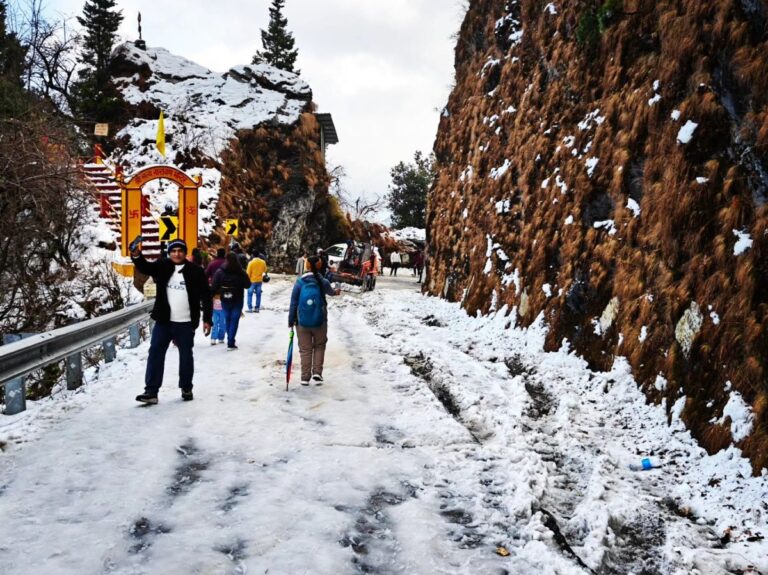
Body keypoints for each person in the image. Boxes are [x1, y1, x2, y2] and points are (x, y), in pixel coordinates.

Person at [131, 238, 212, 404]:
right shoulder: (162, 265)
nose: (177, 254)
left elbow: (206, 295)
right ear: (169, 253)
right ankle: (151, 391)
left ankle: (186, 387)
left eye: (180, 251)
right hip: (164, 321)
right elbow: (145, 267)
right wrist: (136, 254)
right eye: (173, 251)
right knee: (155, 353)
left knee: (186, 355)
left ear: (185, 253)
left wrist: (207, 319)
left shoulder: (196, 271)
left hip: (186, 322)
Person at [288, 255, 340, 386]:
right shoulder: (323, 282)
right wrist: (336, 291)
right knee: (319, 346)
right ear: (319, 266)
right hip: (320, 320)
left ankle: (305, 377)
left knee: (305, 349)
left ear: (306, 266)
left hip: (302, 321)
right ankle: (317, 372)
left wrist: (291, 320)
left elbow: (293, 303)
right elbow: (332, 292)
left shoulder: (300, 282)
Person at [211, 253, 251, 350]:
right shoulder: (241, 272)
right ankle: (231, 341)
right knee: (234, 320)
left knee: (228, 319)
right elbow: (248, 285)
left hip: (225, 299)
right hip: (237, 299)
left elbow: (214, 286)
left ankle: (230, 339)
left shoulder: (220, 271)